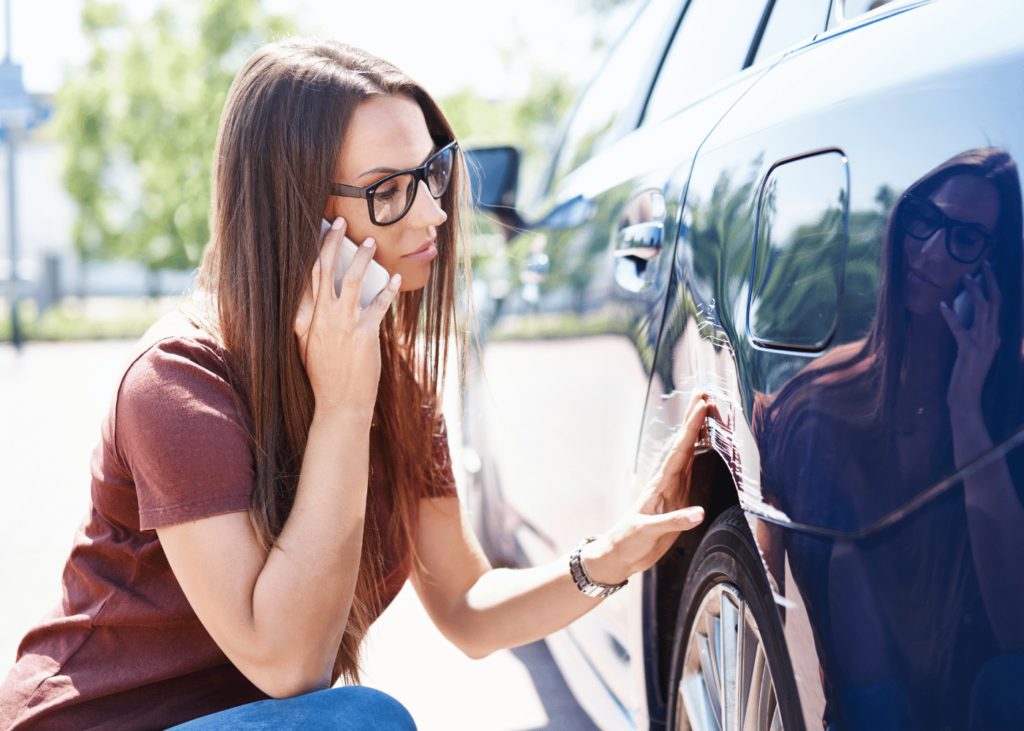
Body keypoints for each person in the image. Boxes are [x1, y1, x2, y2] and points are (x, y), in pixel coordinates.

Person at [0, 38, 708, 730]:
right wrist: (341, 407)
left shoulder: (391, 377)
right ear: (296, 213)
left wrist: (610, 557)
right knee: (361, 718)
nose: (433, 210)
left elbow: (467, 604)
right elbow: (289, 666)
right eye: (390, 190)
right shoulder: (177, 383)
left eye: (432, 172)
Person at [753, 148, 1024, 730]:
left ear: (995, 270)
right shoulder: (817, 403)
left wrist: (965, 409)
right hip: (859, 700)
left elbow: (1015, 631)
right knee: (853, 559)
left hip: (981, 692)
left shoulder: (1011, 406)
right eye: (925, 219)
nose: (930, 252)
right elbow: (765, 602)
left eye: (966, 239)